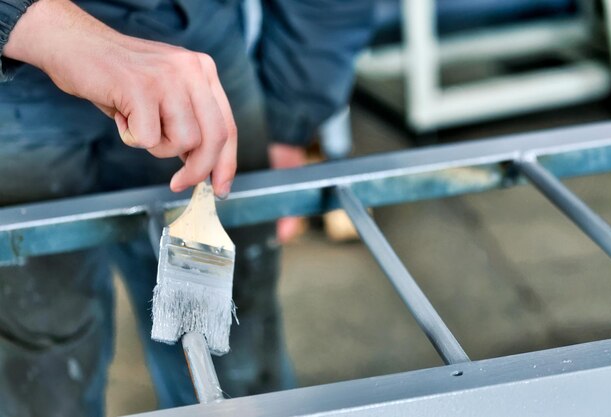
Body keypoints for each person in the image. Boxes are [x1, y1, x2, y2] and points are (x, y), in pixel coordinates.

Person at [0, 0, 374, 416]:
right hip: (12, 88)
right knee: (40, 366)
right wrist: (42, 28)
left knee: (235, 356)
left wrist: (292, 114)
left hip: (194, 68)